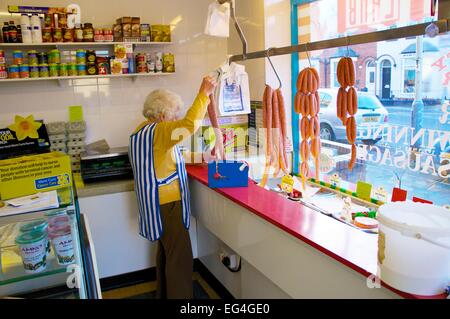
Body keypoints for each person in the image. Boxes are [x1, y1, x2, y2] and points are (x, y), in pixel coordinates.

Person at [129, 76, 217, 299]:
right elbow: (189, 125)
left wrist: (203, 156)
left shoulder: (142, 131)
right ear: (162, 115)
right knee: (180, 259)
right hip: (167, 204)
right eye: (174, 113)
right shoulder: (160, 131)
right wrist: (203, 94)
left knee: (167, 254)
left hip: (154, 203)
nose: (176, 117)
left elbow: (173, 155)